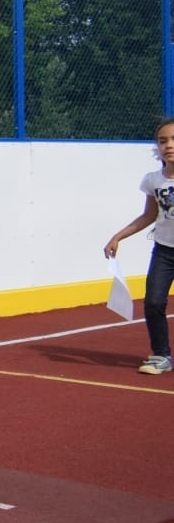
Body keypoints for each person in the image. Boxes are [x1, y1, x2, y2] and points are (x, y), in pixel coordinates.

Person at [102, 116, 174, 375]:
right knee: (154, 302)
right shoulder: (153, 180)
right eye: (163, 141)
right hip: (165, 251)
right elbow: (148, 216)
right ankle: (161, 355)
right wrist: (117, 237)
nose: (168, 145)